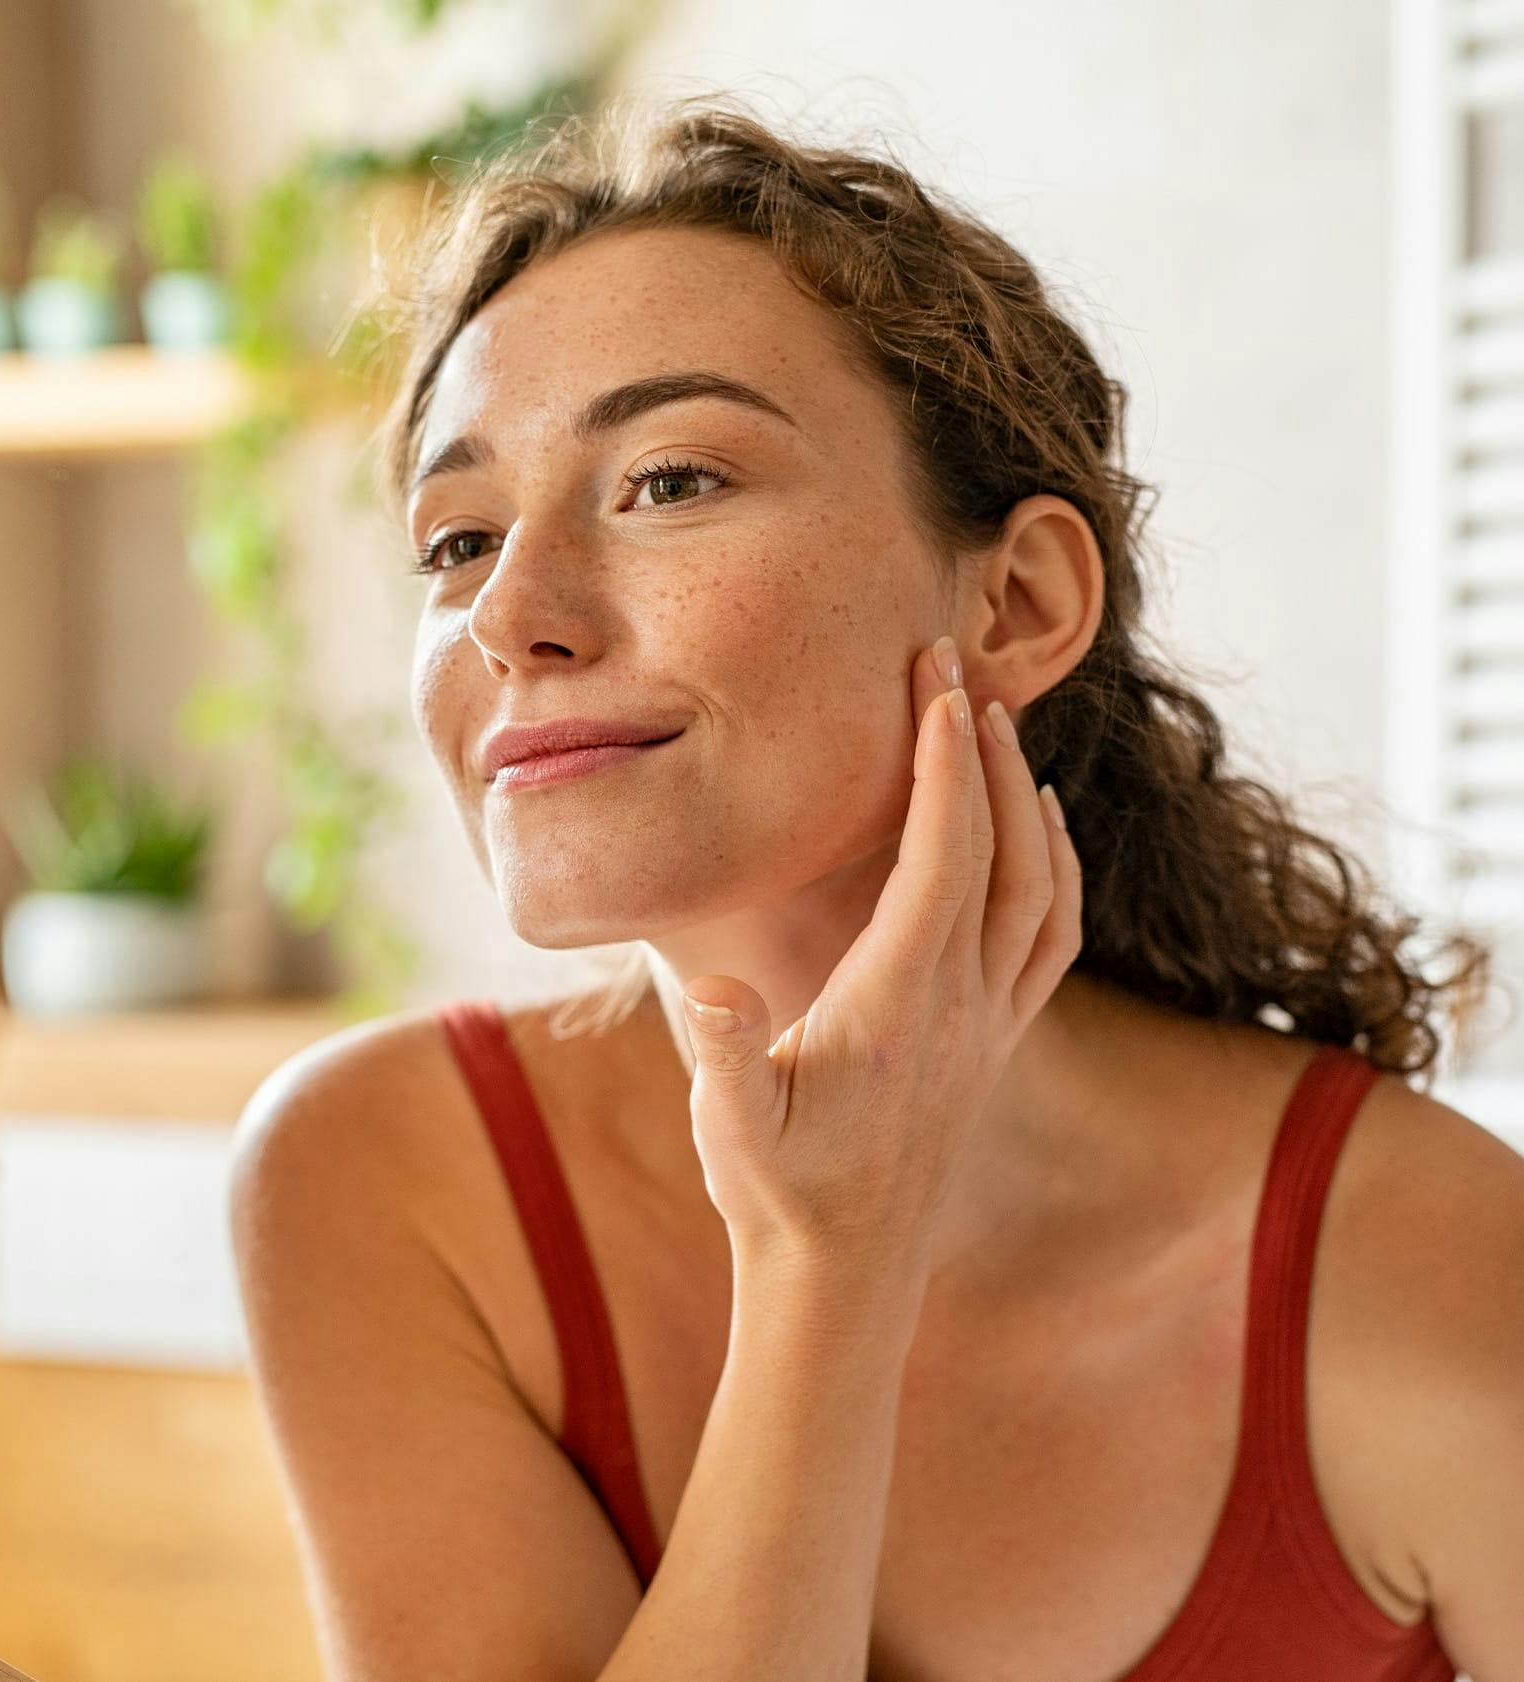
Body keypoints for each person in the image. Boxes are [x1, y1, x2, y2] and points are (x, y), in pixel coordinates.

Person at [225, 93, 1522, 1682]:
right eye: (458, 537)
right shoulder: (387, 1181)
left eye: (669, 481)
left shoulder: (1439, 1264)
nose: (511, 612)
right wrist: (827, 1260)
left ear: (1018, 601)